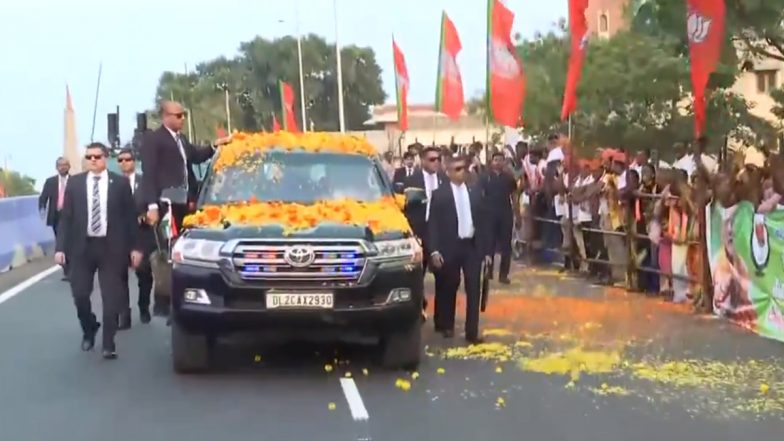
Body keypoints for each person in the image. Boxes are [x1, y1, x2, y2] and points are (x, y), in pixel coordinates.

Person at [54, 143, 142, 360]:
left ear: (105, 158)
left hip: (111, 247)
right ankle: (89, 327)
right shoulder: (75, 184)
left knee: (111, 298)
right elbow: (66, 219)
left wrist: (136, 248)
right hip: (82, 249)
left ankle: (108, 343)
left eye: (97, 156)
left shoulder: (119, 184)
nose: (93, 160)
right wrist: (60, 248)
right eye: (89, 156)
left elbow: (130, 218)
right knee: (80, 295)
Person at [427, 155, 491, 344]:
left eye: (463, 168)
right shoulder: (440, 194)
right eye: (457, 169)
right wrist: (434, 250)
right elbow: (433, 224)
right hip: (450, 246)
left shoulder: (474, 191)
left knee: (473, 288)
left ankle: (472, 331)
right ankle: (447, 325)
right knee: (449, 285)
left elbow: (483, 222)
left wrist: (487, 251)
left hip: (471, 246)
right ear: (448, 172)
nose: (462, 172)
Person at [139, 100, 231, 228]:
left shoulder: (181, 139)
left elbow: (196, 156)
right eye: (178, 116)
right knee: (170, 242)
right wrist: (152, 206)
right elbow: (149, 174)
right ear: (166, 116)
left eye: (184, 115)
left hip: (185, 203)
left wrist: (214, 145)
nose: (182, 119)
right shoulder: (154, 140)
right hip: (167, 204)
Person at [403, 146, 447, 318]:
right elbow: (404, 208)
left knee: (442, 276)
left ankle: (442, 319)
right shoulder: (411, 181)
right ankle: (418, 309)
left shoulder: (444, 180)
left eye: (438, 159)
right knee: (416, 275)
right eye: (432, 159)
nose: (436, 162)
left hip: (438, 233)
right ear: (422, 161)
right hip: (418, 232)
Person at [115, 148, 154, 326]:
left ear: (134, 161)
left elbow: (154, 208)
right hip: (120, 236)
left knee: (144, 275)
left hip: (142, 234)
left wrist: (145, 217)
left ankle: (144, 307)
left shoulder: (145, 182)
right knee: (119, 275)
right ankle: (124, 314)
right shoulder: (112, 183)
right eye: (121, 160)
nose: (124, 163)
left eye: (127, 159)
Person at [480, 151, 518, 283]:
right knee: (488, 244)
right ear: (491, 162)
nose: (498, 162)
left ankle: (503, 275)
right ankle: (488, 272)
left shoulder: (509, 178)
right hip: (489, 214)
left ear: (504, 162)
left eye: (501, 160)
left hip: (505, 214)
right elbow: (480, 195)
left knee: (506, 246)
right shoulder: (485, 177)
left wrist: (517, 214)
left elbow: (514, 196)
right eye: (496, 160)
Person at [39, 157, 71, 279]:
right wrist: (42, 208)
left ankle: (72, 268)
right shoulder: (50, 182)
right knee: (60, 243)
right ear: (56, 167)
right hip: (56, 216)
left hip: (71, 217)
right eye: (60, 165)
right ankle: (66, 269)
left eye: (65, 165)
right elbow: (43, 197)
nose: (62, 167)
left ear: (69, 166)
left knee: (71, 242)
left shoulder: (75, 181)